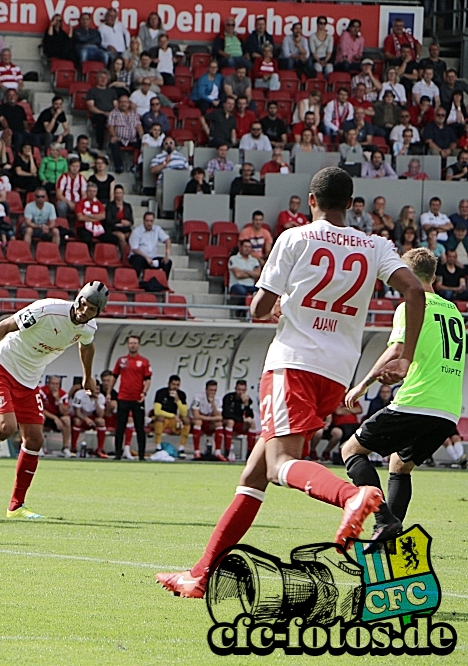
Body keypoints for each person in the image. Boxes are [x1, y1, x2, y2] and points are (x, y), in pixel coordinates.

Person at [156, 167, 426, 598]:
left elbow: (259, 307)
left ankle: (351, 496)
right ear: (351, 204)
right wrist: (406, 355)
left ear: (312, 199)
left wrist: (280, 303)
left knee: (281, 464)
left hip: (292, 363)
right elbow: (414, 291)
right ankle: (202, 575)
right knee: (254, 474)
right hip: (337, 372)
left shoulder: (296, 237)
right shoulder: (375, 245)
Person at [341, 247, 465, 544]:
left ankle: (383, 518)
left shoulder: (410, 305)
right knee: (399, 465)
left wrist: (362, 385)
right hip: (448, 409)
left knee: (351, 451)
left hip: (417, 401)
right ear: (435, 276)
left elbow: (395, 350)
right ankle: (386, 538)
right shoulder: (455, 312)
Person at [0, 283, 105, 517]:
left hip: (29, 380)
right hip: (1, 366)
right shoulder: (47, 310)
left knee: (35, 440)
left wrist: (87, 376)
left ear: (98, 312)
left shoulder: (88, 327)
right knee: (6, 428)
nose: (85, 310)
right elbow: (4, 325)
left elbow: (87, 346)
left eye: (92, 309)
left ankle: (16, 506)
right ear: (78, 299)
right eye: (83, 304)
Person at [110, 335, 151, 461]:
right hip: (123, 397)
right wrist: (109, 392)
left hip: (137, 398)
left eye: (135, 343)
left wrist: (144, 393)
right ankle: (118, 454)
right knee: (120, 427)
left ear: (138, 345)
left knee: (139, 427)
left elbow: (148, 379)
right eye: (131, 343)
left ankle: (142, 455)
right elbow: (114, 376)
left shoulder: (144, 361)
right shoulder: (121, 360)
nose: (133, 345)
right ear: (128, 345)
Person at [152, 375, 189, 455]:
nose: (175, 387)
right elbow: (157, 411)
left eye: (177, 385)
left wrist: (178, 400)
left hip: (174, 421)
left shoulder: (181, 394)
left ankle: (181, 448)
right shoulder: (161, 393)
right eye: (173, 384)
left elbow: (184, 413)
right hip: (162, 419)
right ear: (168, 384)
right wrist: (173, 415)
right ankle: (158, 446)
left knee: (186, 420)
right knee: (160, 418)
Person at [128, 211, 171, 278]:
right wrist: (146, 257)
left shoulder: (157, 229)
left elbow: (167, 240)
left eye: (151, 221)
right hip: (140, 256)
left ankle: (163, 282)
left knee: (167, 262)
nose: (149, 223)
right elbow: (134, 249)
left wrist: (167, 254)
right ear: (143, 221)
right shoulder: (137, 231)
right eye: (147, 221)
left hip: (153, 258)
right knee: (138, 260)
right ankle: (136, 281)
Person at [190, 380, 223, 460]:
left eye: (214, 390)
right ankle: (197, 452)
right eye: (210, 390)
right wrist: (212, 418)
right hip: (196, 422)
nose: (212, 392)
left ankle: (218, 452)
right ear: (206, 389)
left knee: (219, 424)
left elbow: (219, 416)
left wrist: (213, 404)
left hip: (209, 422)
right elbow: (196, 415)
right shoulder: (198, 397)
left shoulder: (218, 399)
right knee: (198, 422)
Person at [40, 376, 73, 456]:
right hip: (47, 416)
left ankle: (65, 448)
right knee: (41, 417)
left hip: (58, 417)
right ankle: (39, 447)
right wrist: (54, 418)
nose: (55, 386)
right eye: (52, 384)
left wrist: (58, 399)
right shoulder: (42, 391)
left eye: (57, 384)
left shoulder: (63, 394)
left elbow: (65, 411)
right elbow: (40, 409)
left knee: (66, 419)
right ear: (48, 384)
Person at [228, 237, 261, 313]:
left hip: (251, 286)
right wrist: (251, 273)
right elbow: (238, 275)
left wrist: (246, 271)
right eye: (245, 246)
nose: (247, 249)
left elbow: (258, 274)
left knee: (262, 291)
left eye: (249, 247)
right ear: (240, 247)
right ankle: (241, 312)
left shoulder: (254, 260)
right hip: (236, 285)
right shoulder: (233, 259)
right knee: (242, 292)